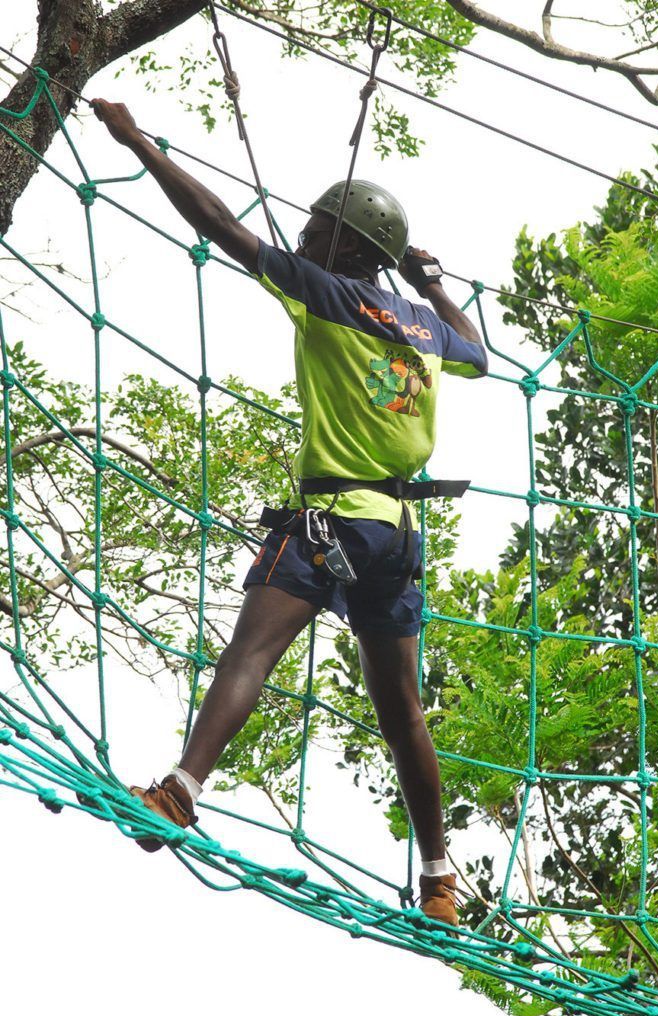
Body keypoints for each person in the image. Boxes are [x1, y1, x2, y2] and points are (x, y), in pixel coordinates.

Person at [92, 98, 488, 929]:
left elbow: (220, 226)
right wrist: (431, 282)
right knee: (401, 711)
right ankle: (439, 880)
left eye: (317, 229)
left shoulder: (325, 290)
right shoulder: (421, 324)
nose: (303, 237)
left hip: (333, 519)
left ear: (351, 248)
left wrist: (139, 143)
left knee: (253, 651)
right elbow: (478, 354)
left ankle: (179, 792)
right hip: (398, 534)